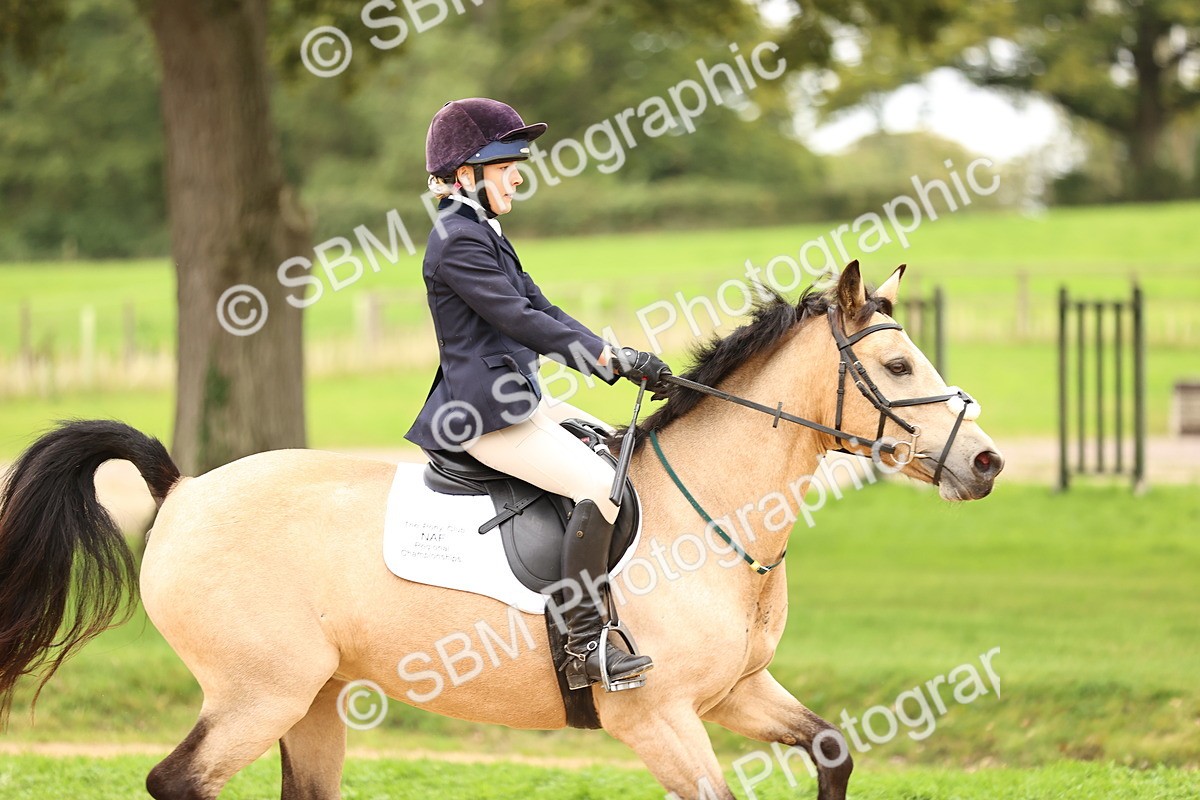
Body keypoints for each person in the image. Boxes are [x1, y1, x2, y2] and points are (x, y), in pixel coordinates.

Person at [404, 98, 672, 690]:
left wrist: (618, 357)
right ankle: (585, 645)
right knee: (599, 487)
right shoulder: (457, 240)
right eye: (506, 165)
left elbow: (543, 307)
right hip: (484, 416)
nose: (519, 175)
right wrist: (607, 360)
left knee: (611, 445)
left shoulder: (481, 232)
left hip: (518, 396)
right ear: (466, 173)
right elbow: (520, 319)